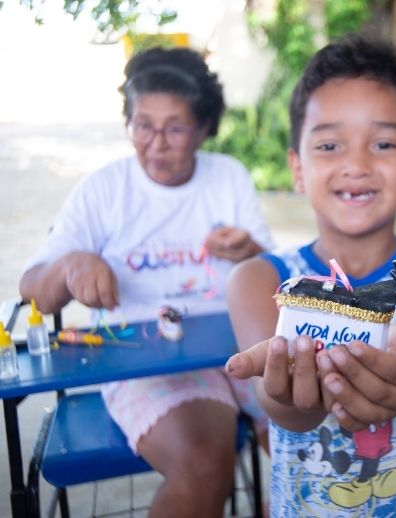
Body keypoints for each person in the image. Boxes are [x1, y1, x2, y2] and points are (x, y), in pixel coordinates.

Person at [223, 33, 396, 517]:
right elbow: (282, 410)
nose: (357, 165)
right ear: (297, 168)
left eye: (383, 143)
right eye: (329, 145)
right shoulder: (258, 281)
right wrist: (290, 387)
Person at [19, 47, 273, 517]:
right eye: (142, 125)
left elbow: (274, 277)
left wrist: (253, 254)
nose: (156, 142)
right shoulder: (104, 190)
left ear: (203, 128)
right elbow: (33, 285)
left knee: (316, 439)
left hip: (243, 345)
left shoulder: (229, 178)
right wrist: (71, 264)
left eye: (175, 127)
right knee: (203, 461)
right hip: (146, 362)